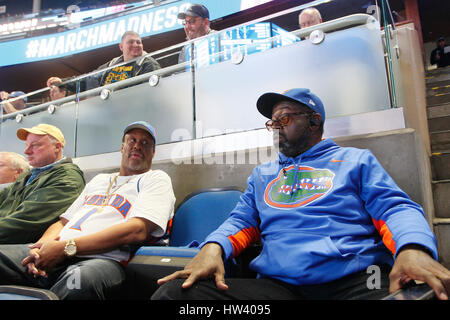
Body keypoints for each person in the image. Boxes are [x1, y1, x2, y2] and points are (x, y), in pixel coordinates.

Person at [153, 88, 450, 300]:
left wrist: (413, 249)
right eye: (272, 122)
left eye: (284, 118)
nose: (275, 128)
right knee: (174, 294)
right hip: (279, 287)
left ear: (314, 121)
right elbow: (240, 222)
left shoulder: (354, 160)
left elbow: (394, 209)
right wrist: (212, 248)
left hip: (358, 279)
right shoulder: (263, 175)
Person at [0, 121, 176, 300]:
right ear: (122, 147)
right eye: (132, 140)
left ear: (153, 152)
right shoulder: (100, 180)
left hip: (104, 259)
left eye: (145, 143)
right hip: (58, 250)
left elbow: (137, 230)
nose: (137, 146)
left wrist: (66, 248)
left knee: (79, 282)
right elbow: (63, 222)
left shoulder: (156, 179)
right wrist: (41, 248)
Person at [0, 124, 85, 244]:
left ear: (57, 147)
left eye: (34, 145)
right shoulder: (29, 175)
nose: (26, 151)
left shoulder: (66, 178)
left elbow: (25, 223)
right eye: (26, 145)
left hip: (29, 245)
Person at [46, 31, 161, 93]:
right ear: (121, 47)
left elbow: (152, 93)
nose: (136, 45)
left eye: (138, 42)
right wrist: (63, 82)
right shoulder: (113, 64)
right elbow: (88, 80)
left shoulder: (148, 64)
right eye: (131, 42)